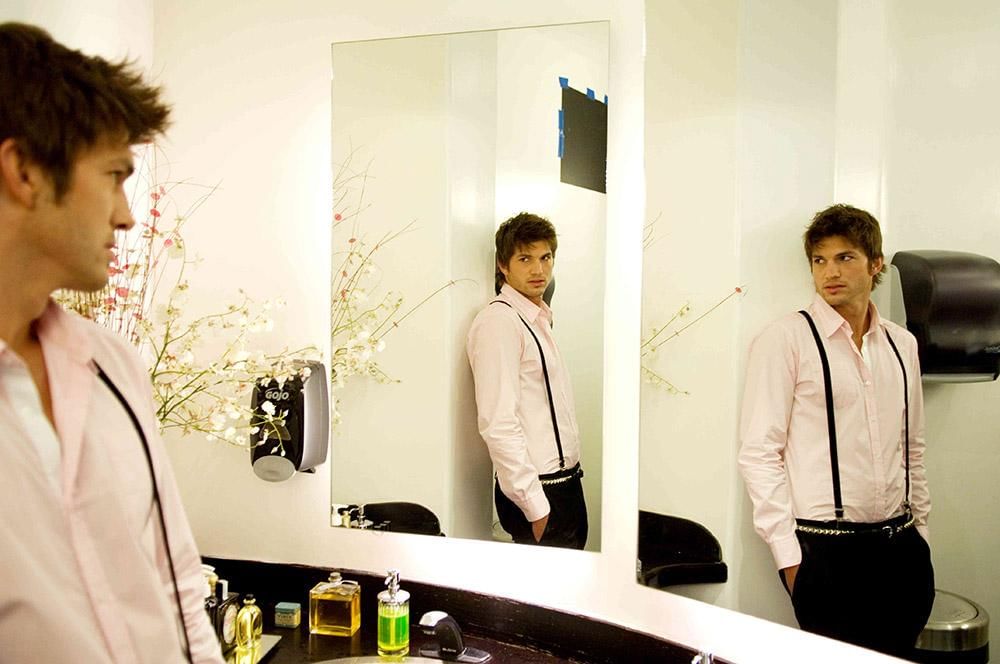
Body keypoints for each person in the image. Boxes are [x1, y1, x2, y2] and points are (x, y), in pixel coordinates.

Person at [0, 23, 223, 663]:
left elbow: (178, 582)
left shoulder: (113, 366)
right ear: (25, 171)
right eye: (114, 175)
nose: (127, 215)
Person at [738, 204, 934, 659]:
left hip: (901, 548)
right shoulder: (785, 339)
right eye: (819, 260)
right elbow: (759, 452)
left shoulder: (902, 344)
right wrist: (790, 558)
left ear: (875, 264)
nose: (830, 272)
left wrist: (921, 533)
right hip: (824, 552)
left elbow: (912, 446)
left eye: (845, 257)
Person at [466, 212, 587, 549]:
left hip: (565, 485)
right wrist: (535, 507)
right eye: (525, 259)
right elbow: (498, 422)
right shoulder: (499, 322)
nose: (538, 270)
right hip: (538, 493)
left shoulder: (537, 318)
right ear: (503, 265)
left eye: (545, 258)